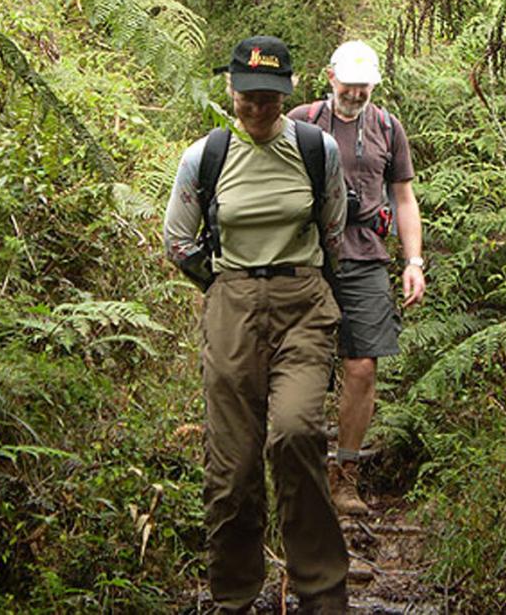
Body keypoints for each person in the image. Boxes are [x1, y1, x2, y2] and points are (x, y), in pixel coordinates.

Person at [163, 36, 349, 614]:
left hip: (303, 303)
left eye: (271, 97)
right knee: (234, 461)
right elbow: (177, 239)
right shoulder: (207, 157)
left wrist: (305, 281)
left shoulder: (318, 150)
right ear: (231, 91)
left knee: (296, 433)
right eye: (249, 97)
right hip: (232, 306)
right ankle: (235, 594)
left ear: (289, 94)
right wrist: (221, 286)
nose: (260, 108)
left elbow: (334, 233)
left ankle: (321, 593)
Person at [288, 39, 426, 516]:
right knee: (300, 366)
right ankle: (297, 473)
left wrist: (413, 262)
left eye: (364, 84)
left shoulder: (388, 127)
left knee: (362, 366)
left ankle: (345, 477)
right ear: (330, 78)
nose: (355, 92)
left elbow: (404, 198)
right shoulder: (301, 123)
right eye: (348, 83)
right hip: (307, 257)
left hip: (365, 257)